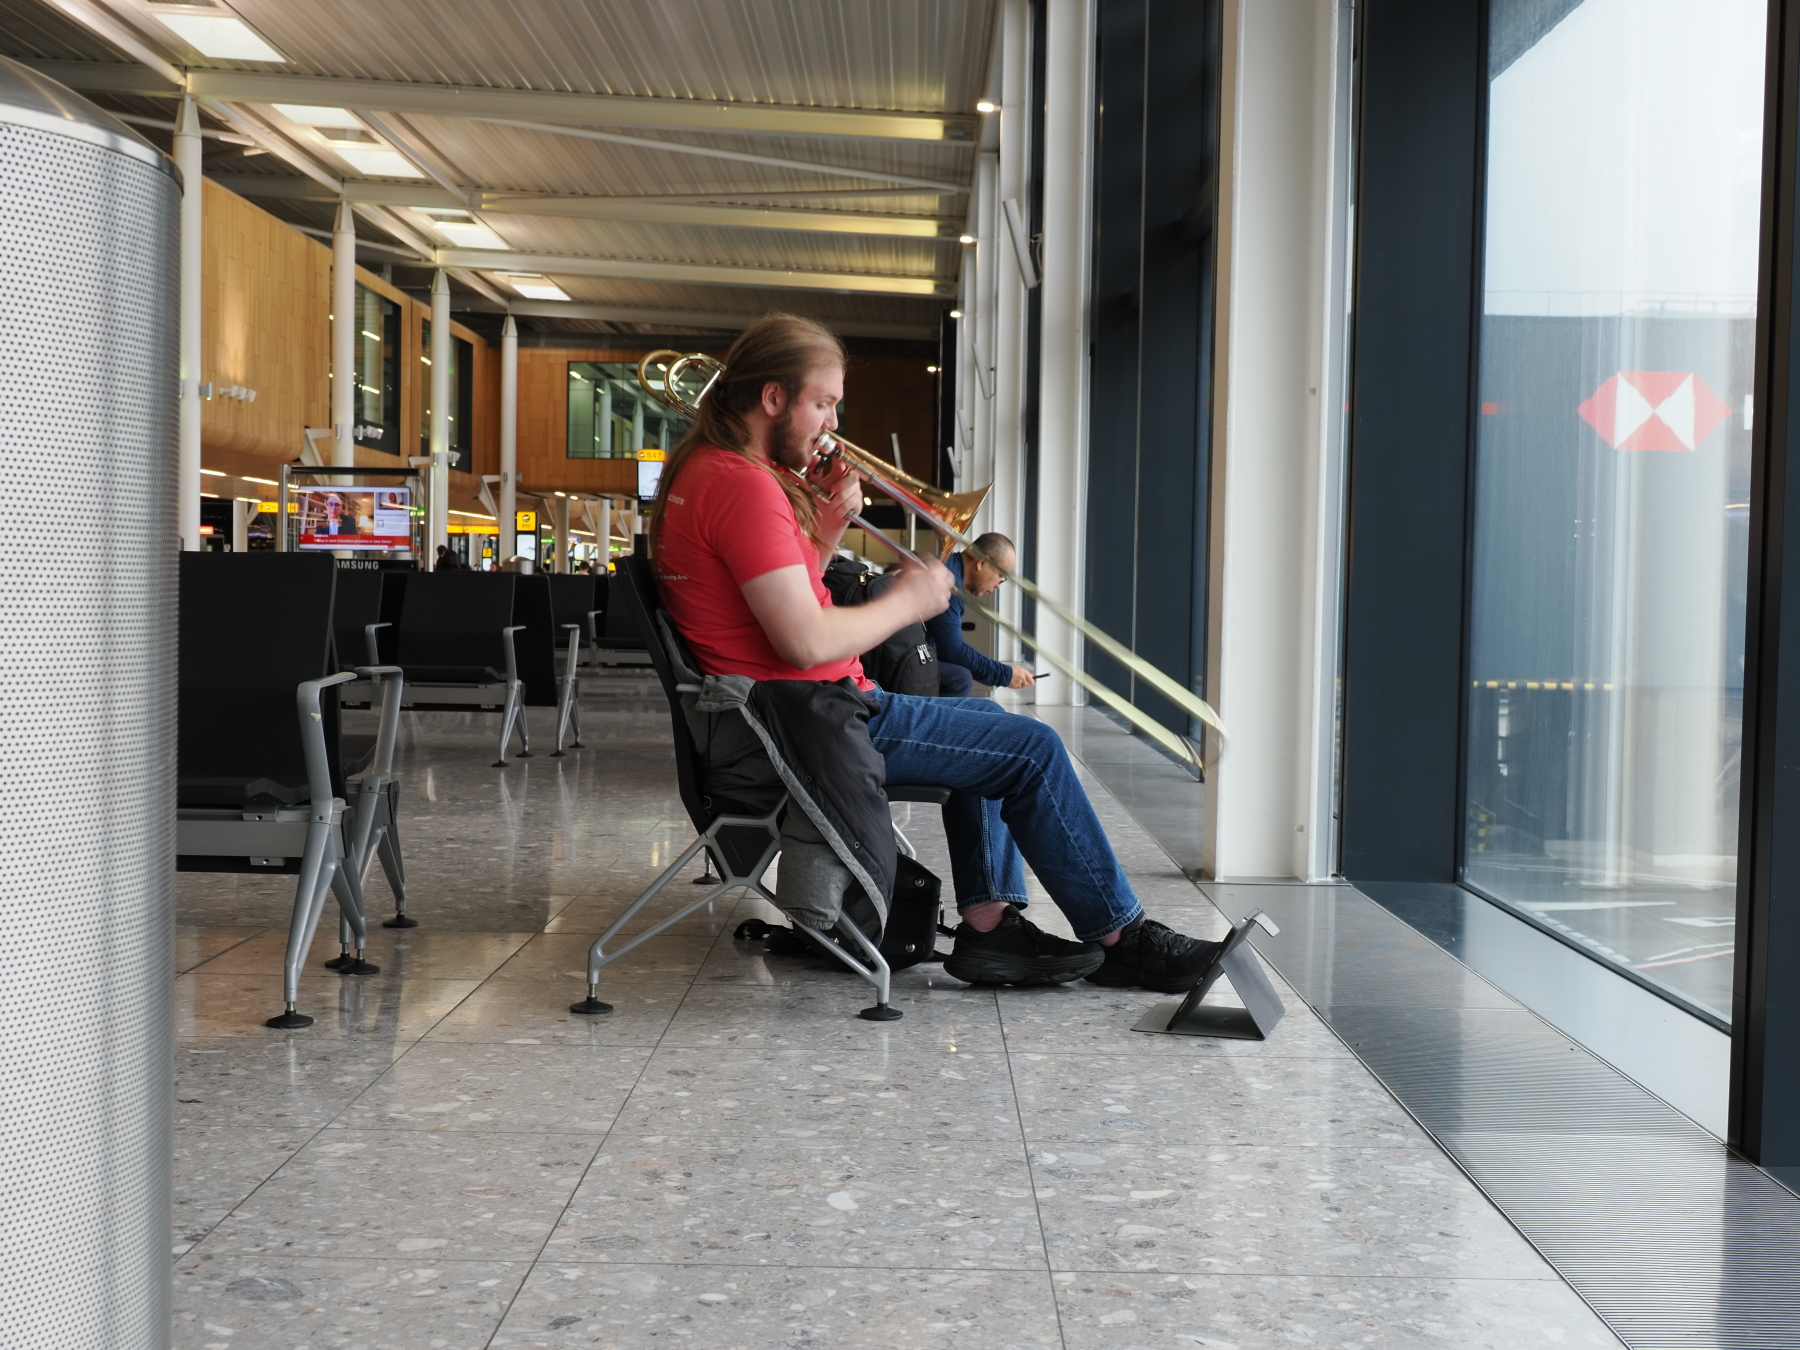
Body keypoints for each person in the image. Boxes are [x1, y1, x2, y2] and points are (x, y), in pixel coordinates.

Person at [651, 313, 1219, 991]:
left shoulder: (709, 471)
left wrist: (825, 533)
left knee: (989, 724)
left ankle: (991, 927)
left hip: (790, 712)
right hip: (801, 725)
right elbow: (803, 641)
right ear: (774, 397)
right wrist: (909, 602)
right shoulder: (742, 484)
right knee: (1033, 749)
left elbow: (774, 611)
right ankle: (1122, 938)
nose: (832, 424)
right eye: (823, 403)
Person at [925, 532, 1035, 697]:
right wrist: (1005, 674)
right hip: (895, 659)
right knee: (959, 679)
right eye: (1000, 575)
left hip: (901, 651)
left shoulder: (946, 567)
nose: (998, 585)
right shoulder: (949, 584)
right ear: (982, 563)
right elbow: (953, 651)